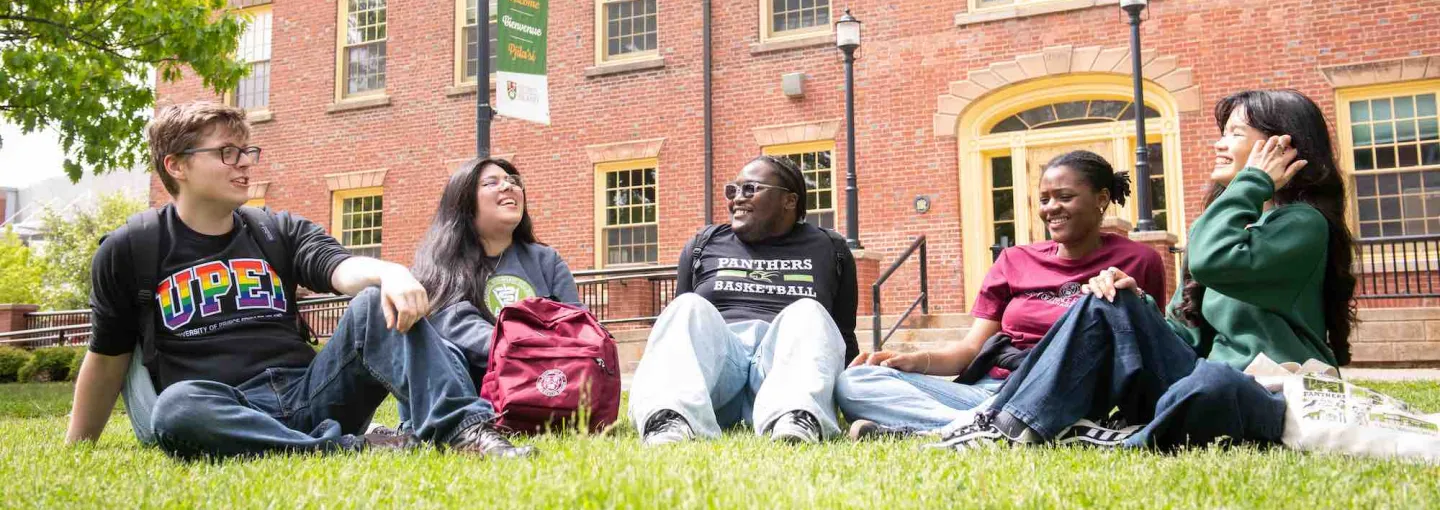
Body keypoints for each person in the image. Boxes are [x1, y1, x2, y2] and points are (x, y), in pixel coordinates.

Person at [65, 101, 534, 459]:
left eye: (247, 151)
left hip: (309, 392)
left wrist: (389, 272)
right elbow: (107, 357)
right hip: (223, 404)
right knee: (177, 408)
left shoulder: (276, 230)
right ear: (176, 165)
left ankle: (466, 431)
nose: (245, 163)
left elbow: (340, 269)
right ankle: (352, 447)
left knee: (373, 303)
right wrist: (77, 449)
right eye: (226, 153)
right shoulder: (132, 248)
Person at [937, 89, 1358, 451]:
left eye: (1234, 133)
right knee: (1108, 298)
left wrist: (1250, 183)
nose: (1219, 143)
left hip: (1266, 389)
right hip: (1198, 384)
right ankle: (1003, 423)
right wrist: (1131, 302)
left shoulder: (1302, 224)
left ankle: (1099, 437)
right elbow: (1181, 337)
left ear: (1281, 148)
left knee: (1214, 383)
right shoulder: (1235, 221)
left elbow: (1213, 259)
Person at [836, 151, 1166, 439]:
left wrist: (1132, 297)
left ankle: (946, 430)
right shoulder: (1014, 260)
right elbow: (968, 349)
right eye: (1044, 199)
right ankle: (987, 429)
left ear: (1101, 198)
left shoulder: (1138, 261)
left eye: (1064, 196)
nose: (1051, 208)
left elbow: (1147, 349)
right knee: (856, 382)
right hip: (990, 392)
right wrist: (911, 361)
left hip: (1064, 393)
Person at [627, 155, 859, 445]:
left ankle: (796, 417)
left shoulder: (830, 249)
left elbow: (842, 334)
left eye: (750, 189)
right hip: (721, 369)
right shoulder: (704, 244)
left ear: (790, 201)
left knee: (809, 312)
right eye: (732, 190)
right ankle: (670, 418)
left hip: (782, 369)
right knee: (686, 306)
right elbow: (682, 333)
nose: (737, 199)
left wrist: (857, 398)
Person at [412, 157, 581, 387]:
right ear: (464, 202)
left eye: (512, 181)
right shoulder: (442, 262)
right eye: (491, 182)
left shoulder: (546, 260)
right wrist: (526, 346)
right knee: (445, 350)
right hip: (467, 389)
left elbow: (577, 323)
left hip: (540, 382)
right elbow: (455, 324)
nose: (508, 186)